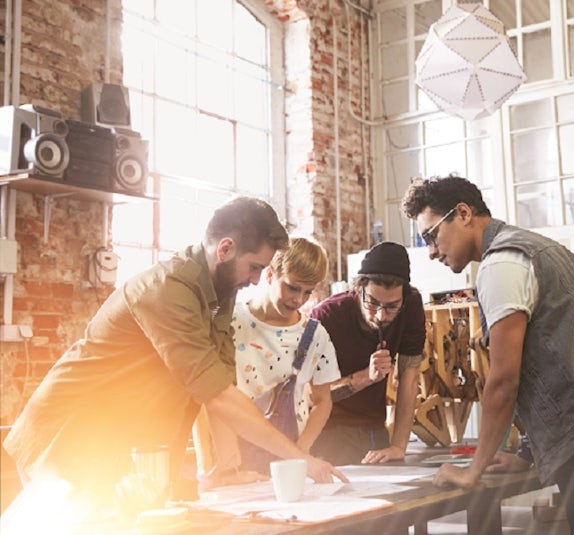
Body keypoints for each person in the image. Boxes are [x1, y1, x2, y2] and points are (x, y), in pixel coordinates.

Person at [1, 197, 346, 531]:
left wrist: (227, 467)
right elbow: (216, 395)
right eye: (254, 267)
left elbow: (222, 383)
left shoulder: (220, 293)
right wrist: (298, 458)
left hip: (124, 446)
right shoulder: (168, 289)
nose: (256, 279)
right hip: (72, 437)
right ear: (225, 249)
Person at [401, 176, 574, 535]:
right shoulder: (530, 248)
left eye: (430, 235)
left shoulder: (502, 263)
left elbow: (505, 379)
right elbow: (555, 362)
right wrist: (527, 454)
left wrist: (474, 470)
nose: (431, 251)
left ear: (464, 214)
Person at [193, 236, 342, 489]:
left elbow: (323, 401)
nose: (298, 300)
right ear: (270, 274)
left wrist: (299, 454)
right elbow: (202, 398)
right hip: (230, 461)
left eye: (308, 291)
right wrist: (206, 464)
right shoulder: (227, 322)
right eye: (293, 287)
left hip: (288, 462)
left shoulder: (314, 335)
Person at [309, 242, 426, 466]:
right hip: (329, 430)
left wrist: (399, 446)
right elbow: (311, 397)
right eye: (372, 303)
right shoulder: (326, 317)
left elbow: (409, 378)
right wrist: (365, 377)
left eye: (392, 306)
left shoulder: (410, 306)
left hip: (374, 427)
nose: (381, 315)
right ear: (358, 288)